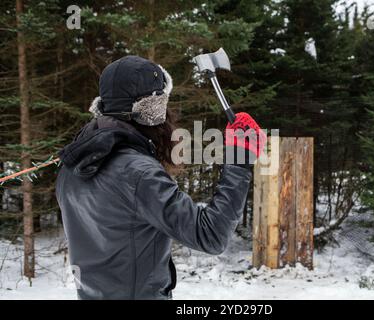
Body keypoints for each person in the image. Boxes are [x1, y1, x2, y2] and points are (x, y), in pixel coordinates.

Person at [56, 55, 265, 300]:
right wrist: (239, 162)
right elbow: (211, 235)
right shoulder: (139, 174)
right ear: (153, 110)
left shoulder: (70, 167)